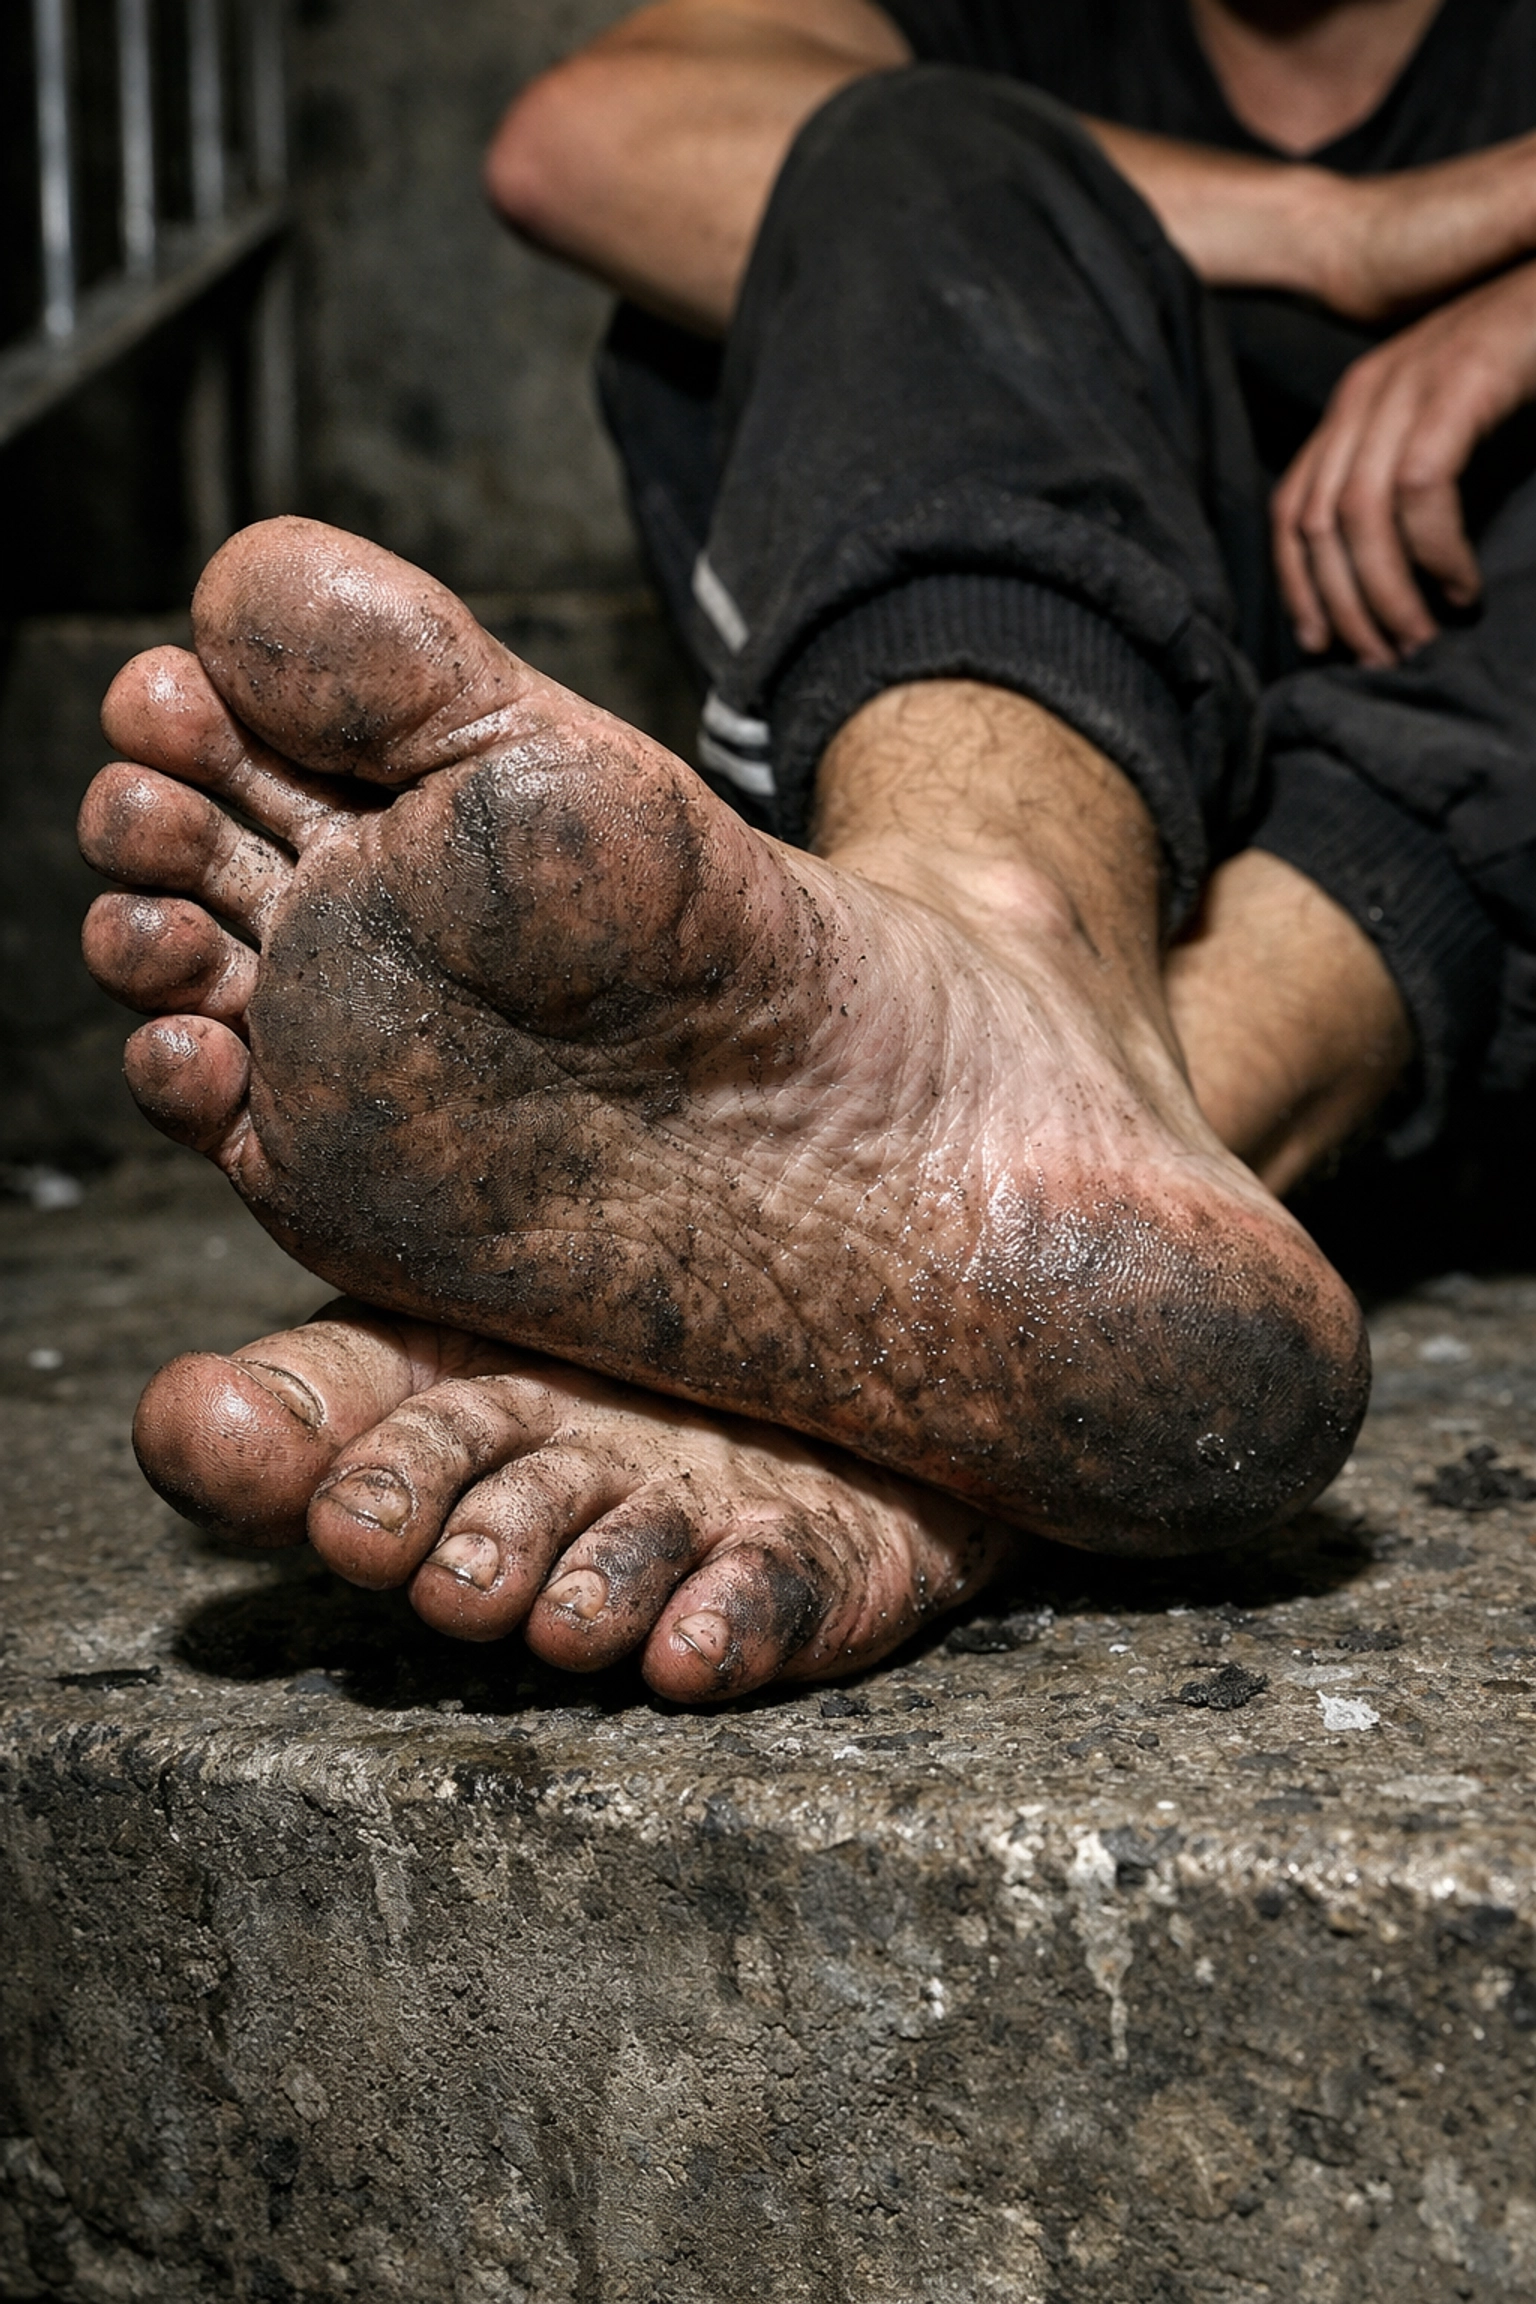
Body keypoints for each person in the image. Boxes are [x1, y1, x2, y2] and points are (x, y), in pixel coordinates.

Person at [78, 0, 1536, 1701]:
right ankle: (1009, 950)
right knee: (917, 151)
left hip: (1464, 812)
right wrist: (1350, 237)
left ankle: (1020, 1146)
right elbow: (581, 140)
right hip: (1101, 720)